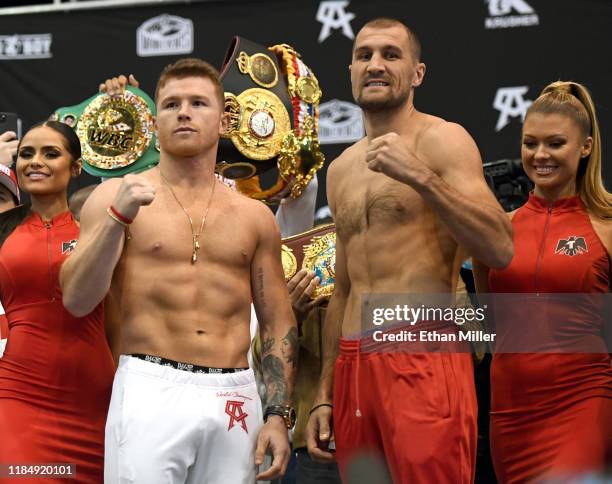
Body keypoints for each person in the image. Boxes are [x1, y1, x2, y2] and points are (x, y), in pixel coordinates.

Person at [60, 59, 297, 483]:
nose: (183, 112)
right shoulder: (113, 196)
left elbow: (279, 320)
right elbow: (77, 299)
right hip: (150, 385)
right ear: (153, 121)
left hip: (235, 394)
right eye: (171, 104)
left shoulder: (255, 216)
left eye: (197, 103)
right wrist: (117, 217)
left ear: (224, 121)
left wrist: (278, 414)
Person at [305, 17, 513, 483]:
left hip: (422, 350)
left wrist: (420, 176)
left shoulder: (441, 139)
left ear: (417, 73)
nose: (375, 65)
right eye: (364, 55)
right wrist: (324, 390)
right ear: (351, 69)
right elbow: (343, 288)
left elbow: (499, 246)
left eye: (390, 55)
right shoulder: (341, 169)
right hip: (354, 366)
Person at [473, 81, 612, 482]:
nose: (540, 156)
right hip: (510, 413)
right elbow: (491, 323)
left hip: (583, 400)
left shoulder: (605, 227)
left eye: (555, 143)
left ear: (585, 147)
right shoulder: (499, 231)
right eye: (530, 143)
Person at [0, 121, 115, 482]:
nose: (36, 161)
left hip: (96, 401)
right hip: (20, 395)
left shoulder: (99, 231)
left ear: (77, 167)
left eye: (51, 153)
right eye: (26, 154)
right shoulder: (2, 229)